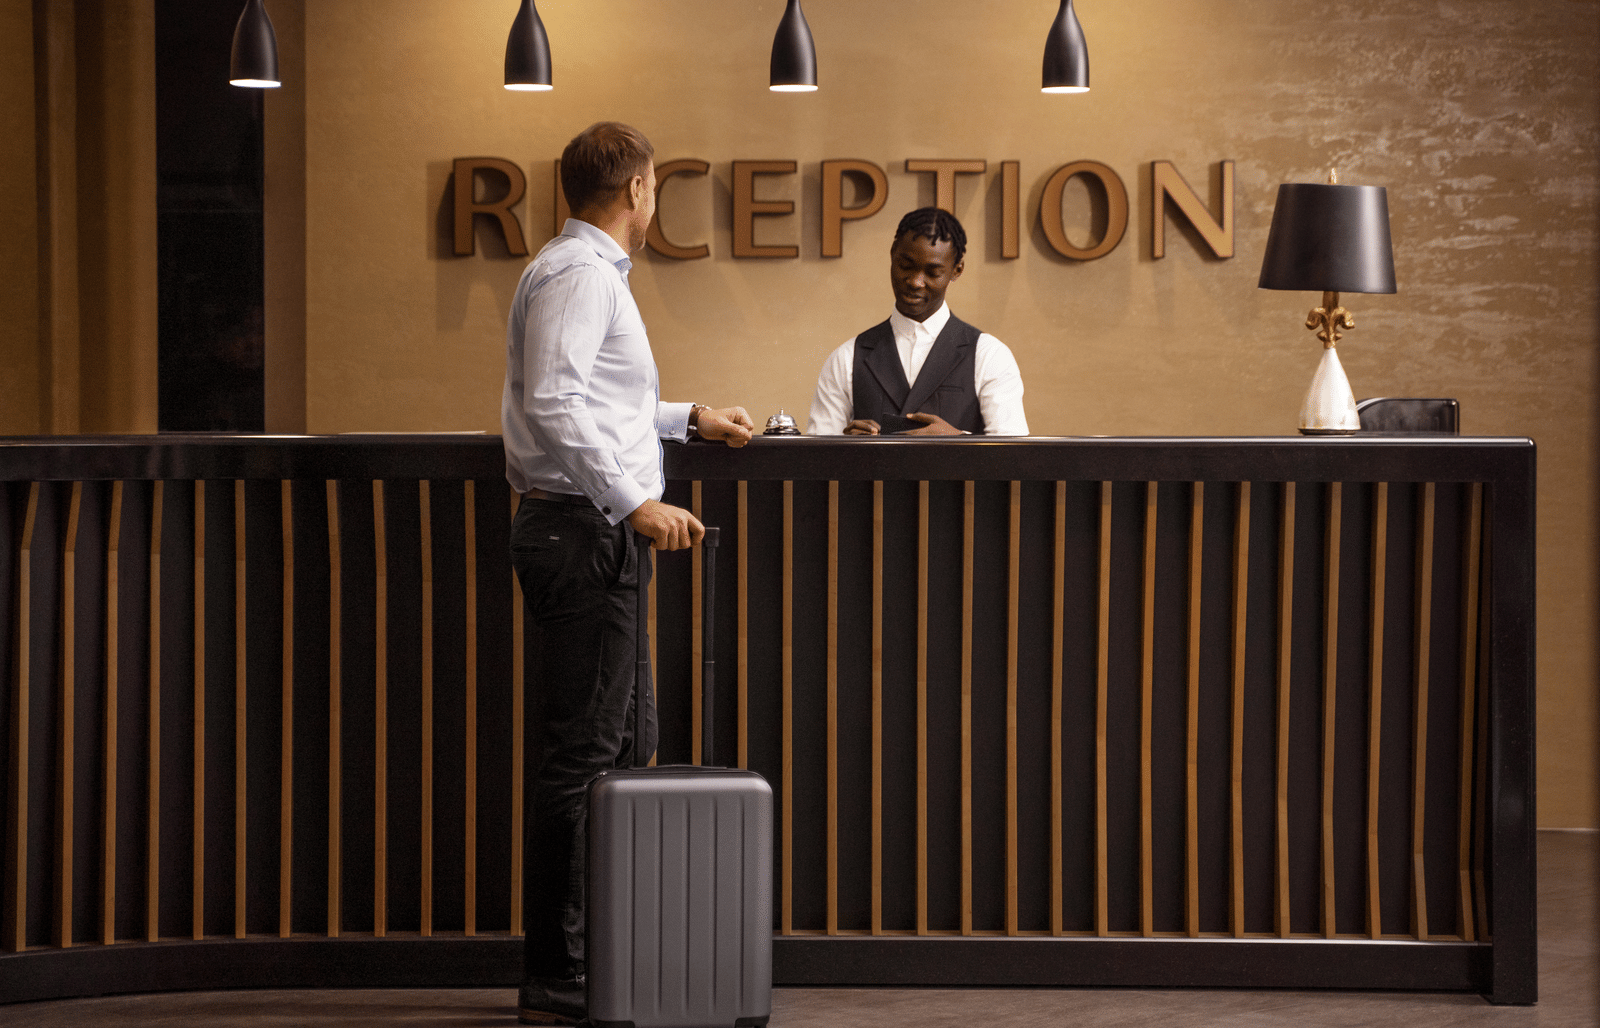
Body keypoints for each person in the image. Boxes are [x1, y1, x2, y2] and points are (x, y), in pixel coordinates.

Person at [501, 121, 754, 1026]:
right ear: (638, 190)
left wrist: (689, 420)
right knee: (585, 759)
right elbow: (557, 401)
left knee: (619, 746)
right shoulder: (579, 275)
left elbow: (605, 400)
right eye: (655, 189)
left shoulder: (583, 273)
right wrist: (632, 503)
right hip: (582, 534)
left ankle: (594, 959)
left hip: (589, 533)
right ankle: (559, 973)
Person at [805, 207, 1028, 436]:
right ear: (892, 254)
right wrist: (845, 451)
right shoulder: (846, 358)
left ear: (957, 270)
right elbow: (815, 463)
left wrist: (957, 440)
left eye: (932, 272)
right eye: (906, 266)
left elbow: (1013, 459)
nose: (915, 281)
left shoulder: (989, 355)